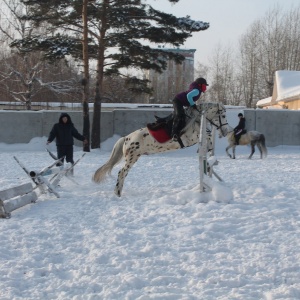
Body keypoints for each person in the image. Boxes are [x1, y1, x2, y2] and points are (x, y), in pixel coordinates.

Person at [171, 77, 209, 141]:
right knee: (179, 115)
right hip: (177, 100)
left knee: (185, 116)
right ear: (200, 85)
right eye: (204, 85)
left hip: (181, 102)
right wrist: (192, 104)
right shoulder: (197, 91)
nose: (205, 87)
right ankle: (174, 133)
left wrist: (192, 104)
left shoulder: (197, 89)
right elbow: (189, 96)